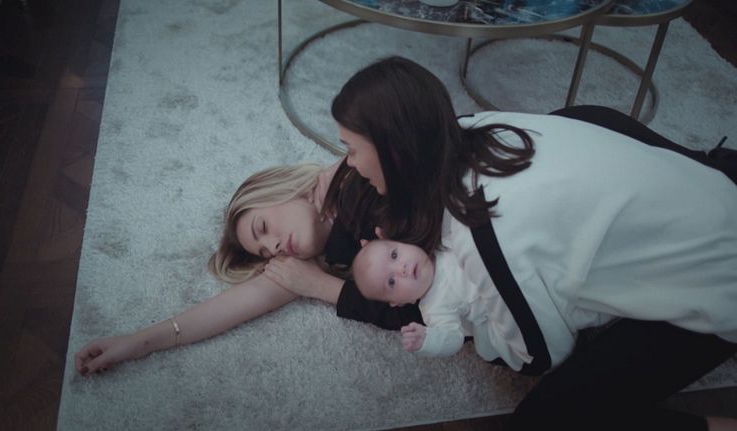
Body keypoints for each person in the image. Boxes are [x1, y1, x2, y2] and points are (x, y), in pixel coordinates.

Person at [263, 57, 737, 430]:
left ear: (395, 153)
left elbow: (540, 355)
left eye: (351, 150)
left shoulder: (479, 232)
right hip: (714, 192)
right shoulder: (474, 126)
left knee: (548, 417)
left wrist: (476, 322)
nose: (348, 163)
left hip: (719, 281)